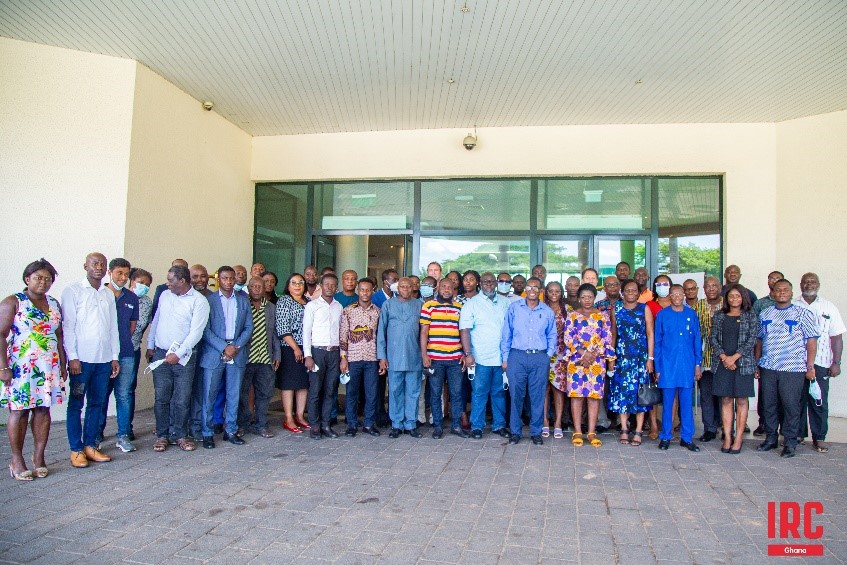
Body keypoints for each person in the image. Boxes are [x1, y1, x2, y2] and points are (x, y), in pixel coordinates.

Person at [0, 259, 66, 480]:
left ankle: (39, 458)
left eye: (48, 279)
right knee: (19, 411)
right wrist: (3, 367)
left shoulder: (54, 303)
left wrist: (63, 364)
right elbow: (0, 334)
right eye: (39, 278)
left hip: (48, 367)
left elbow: (58, 336)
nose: (43, 282)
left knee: (42, 410)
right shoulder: (14, 302)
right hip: (20, 367)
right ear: (27, 279)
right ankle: (16, 460)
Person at [62, 252, 120, 467]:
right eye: (94, 263)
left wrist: (114, 356)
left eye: (102, 264)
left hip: (103, 360)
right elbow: (68, 327)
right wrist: (73, 357)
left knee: (97, 403)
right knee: (76, 404)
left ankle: (90, 446)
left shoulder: (107, 293)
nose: (99, 267)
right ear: (85, 265)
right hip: (82, 361)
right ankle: (76, 449)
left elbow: (113, 328)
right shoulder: (73, 291)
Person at [146, 264, 210, 453]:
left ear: (182, 281)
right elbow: (156, 320)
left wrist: (179, 353)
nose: (167, 283)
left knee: (182, 399)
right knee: (161, 398)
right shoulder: (165, 295)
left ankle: (180, 435)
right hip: (160, 354)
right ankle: (162, 435)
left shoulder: (199, 301)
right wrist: (150, 345)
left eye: (171, 280)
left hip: (184, 358)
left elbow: (196, 332)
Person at [755, 279, 817, 458]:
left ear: (791, 293)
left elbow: (811, 341)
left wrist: (810, 366)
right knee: (769, 405)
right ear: (772, 293)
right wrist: (757, 363)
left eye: (785, 290)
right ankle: (771, 438)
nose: (781, 292)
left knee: (791, 406)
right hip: (768, 366)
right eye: (778, 290)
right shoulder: (765, 313)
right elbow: (759, 340)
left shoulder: (803, 313)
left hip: (793, 368)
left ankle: (790, 442)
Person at [199, 266, 252, 449]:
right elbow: (205, 329)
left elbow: (248, 327)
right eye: (225, 278)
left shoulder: (243, 301)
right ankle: (207, 433)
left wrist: (235, 346)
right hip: (215, 352)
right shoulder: (209, 301)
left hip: (236, 351)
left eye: (231, 278)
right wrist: (224, 347)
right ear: (218, 280)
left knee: (233, 393)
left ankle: (230, 430)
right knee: (209, 394)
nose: (229, 282)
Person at [501, 277, 557, 445]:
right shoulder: (514, 308)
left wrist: (547, 355)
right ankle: (515, 432)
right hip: (517, 356)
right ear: (525, 289)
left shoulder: (547, 311)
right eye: (529, 287)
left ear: (541, 291)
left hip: (539, 357)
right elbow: (507, 334)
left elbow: (552, 335)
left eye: (536, 287)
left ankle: (536, 432)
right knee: (516, 395)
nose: (532, 290)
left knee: (537, 396)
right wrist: (505, 358)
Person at [794, 273, 844, 454]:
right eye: (806, 281)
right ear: (800, 285)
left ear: (819, 284)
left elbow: (836, 336)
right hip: (796, 363)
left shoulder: (828, 307)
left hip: (821, 362)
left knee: (818, 400)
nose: (809, 284)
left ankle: (819, 437)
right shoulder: (793, 305)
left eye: (812, 281)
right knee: (796, 400)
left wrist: (836, 362)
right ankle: (797, 435)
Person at [563, 284, 615, 448]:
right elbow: (568, 336)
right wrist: (583, 353)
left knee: (593, 397)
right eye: (583, 297)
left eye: (590, 297)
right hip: (577, 361)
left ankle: (591, 432)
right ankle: (578, 431)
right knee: (577, 396)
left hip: (596, 361)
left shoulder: (603, 316)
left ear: (595, 298)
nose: (587, 300)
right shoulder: (572, 315)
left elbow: (607, 338)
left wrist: (592, 354)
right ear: (579, 298)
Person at [459, 272, 511, 439]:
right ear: (480, 284)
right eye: (485, 282)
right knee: (479, 393)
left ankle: (499, 425)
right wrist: (468, 353)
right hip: (479, 357)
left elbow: (511, 328)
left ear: (496, 283)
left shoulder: (505, 302)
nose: (488, 284)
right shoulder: (472, 304)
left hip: (501, 358)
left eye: (491, 281)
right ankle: (477, 426)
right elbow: (464, 330)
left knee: (499, 393)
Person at [710, 284, 759, 454]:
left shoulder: (750, 316)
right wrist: (724, 357)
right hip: (723, 364)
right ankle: (728, 436)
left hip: (743, 365)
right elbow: (713, 339)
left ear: (743, 297)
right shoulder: (719, 316)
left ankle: (739, 438)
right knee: (726, 400)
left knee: (742, 401)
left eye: (738, 296)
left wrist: (734, 357)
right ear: (726, 298)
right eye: (731, 296)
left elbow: (752, 340)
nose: (734, 299)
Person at [655, 284, 702, 452]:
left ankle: (687, 438)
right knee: (667, 404)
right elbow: (658, 342)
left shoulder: (691, 315)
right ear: (669, 296)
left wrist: (698, 365)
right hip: (667, 366)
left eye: (679, 294)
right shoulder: (662, 315)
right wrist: (657, 368)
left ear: (683, 295)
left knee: (687, 403)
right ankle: (666, 436)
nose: (676, 297)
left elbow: (697, 341)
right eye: (673, 294)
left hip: (687, 366)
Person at [607, 279, 654, 447]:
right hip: (622, 357)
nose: (631, 293)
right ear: (622, 292)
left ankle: (639, 430)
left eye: (634, 290)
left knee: (640, 395)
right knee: (622, 393)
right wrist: (611, 357)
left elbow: (650, 334)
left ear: (638, 293)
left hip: (640, 357)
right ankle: (625, 429)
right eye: (628, 290)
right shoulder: (617, 309)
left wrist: (650, 358)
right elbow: (613, 334)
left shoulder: (644, 308)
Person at [99, 258, 139, 453]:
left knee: (123, 395)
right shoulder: (100, 294)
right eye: (119, 273)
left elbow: (132, 326)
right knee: (101, 395)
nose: (123, 278)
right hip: (102, 355)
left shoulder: (131, 298)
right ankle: (96, 434)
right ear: (110, 272)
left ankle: (122, 435)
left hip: (125, 353)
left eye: (126, 274)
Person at [378, 277, 423, 438]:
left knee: (413, 391)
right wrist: (382, 357)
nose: (405, 289)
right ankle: (396, 424)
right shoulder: (388, 305)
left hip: (414, 356)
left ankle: (410, 424)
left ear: (413, 288)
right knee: (395, 391)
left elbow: (424, 333)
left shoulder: (419, 305)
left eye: (408, 287)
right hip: (394, 357)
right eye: (402, 286)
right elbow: (381, 333)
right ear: (397, 288)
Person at [421, 278, 465, 439]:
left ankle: (456, 426)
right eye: (443, 286)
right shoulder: (428, 306)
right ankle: (438, 426)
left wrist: (465, 355)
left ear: (454, 289)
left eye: (450, 287)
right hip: (435, 358)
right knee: (435, 393)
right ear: (438, 288)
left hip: (455, 358)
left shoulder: (460, 307)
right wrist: (424, 354)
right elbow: (424, 332)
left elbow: (463, 332)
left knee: (456, 393)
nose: (446, 289)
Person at [236, 277, 280, 439]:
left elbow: (275, 333)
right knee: (243, 393)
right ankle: (242, 424)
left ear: (264, 289)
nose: (256, 289)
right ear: (248, 288)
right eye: (253, 286)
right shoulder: (242, 305)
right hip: (245, 358)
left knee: (265, 394)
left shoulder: (271, 308)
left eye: (259, 286)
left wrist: (277, 354)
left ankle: (261, 425)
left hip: (265, 358)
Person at [302, 273, 343, 439]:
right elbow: (306, 332)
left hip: (334, 352)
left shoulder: (338, 307)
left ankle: (326, 424)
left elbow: (341, 332)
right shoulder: (312, 306)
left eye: (333, 285)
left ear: (336, 287)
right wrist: (308, 355)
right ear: (321, 285)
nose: (330, 288)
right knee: (315, 391)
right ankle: (315, 426)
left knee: (330, 390)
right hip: (317, 352)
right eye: (327, 284)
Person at [340, 277, 381, 437]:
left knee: (371, 394)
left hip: (372, 359)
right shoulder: (348, 310)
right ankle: (351, 424)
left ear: (372, 291)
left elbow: (380, 336)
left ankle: (369, 424)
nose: (365, 292)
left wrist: (382, 358)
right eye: (362, 289)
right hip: (353, 359)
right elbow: (343, 335)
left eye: (368, 290)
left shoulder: (378, 311)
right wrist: (343, 358)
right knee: (351, 393)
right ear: (358, 291)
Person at [275, 273, 311, 433]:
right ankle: (289, 418)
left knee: (303, 383)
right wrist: (295, 348)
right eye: (294, 283)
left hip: (307, 347)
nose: (297, 286)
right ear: (288, 286)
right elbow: (282, 327)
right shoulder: (284, 301)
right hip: (289, 348)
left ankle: (300, 416)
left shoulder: (309, 302)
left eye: (300, 283)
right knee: (289, 384)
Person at [752, 270, 785, 436]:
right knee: (765, 394)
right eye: (771, 278)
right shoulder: (760, 304)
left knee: (785, 397)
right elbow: (755, 332)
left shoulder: (794, 308)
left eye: (777, 279)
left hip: (787, 359)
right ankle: (763, 423)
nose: (774, 281)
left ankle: (784, 428)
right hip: (765, 356)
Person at [693, 276, 723, 442]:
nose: (711, 289)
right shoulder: (699, 306)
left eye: (714, 285)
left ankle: (725, 427)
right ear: (704, 289)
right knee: (706, 395)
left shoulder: (728, 304)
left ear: (720, 287)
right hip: (704, 359)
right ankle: (709, 428)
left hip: (725, 359)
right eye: (708, 286)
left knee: (724, 395)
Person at [127, 268, 153, 441]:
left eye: (147, 285)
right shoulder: (116, 296)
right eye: (141, 283)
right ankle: (98, 430)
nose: (144, 287)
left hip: (133, 349)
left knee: (128, 390)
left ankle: (126, 429)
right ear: (132, 280)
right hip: (111, 352)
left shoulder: (146, 302)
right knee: (105, 391)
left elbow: (142, 327)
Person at [545, 281, 570, 439]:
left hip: (561, 356)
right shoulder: (540, 308)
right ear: (546, 292)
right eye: (551, 291)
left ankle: (558, 423)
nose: (554, 293)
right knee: (543, 390)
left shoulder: (568, 310)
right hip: (543, 355)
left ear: (561, 293)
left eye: (557, 291)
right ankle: (545, 422)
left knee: (558, 390)